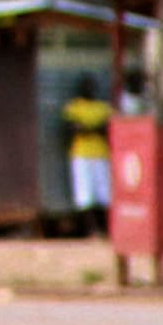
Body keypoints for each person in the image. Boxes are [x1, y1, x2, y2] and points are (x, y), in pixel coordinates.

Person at [60, 75, 112, 232]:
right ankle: (91, 229)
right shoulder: (74, 107)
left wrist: (86, 128)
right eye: (86, 86)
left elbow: (108, 130)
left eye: (91, 86)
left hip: (101, 155)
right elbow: (71, 129)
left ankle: (106, 228)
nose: (89, 89)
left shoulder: (104, 108)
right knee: (84, 193)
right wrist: (94, 128)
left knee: (104, 192)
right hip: (81, 155)